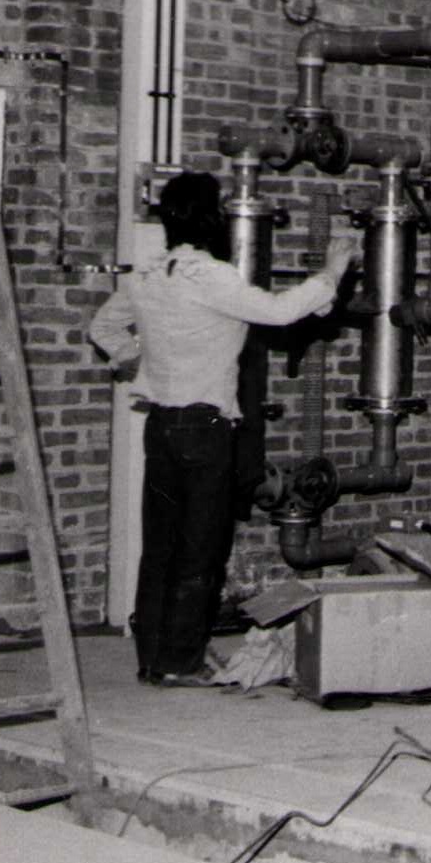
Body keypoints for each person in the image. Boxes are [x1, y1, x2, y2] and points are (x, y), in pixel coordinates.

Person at [89, 172, 358, 686]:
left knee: (161, 545)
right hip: (205, 431)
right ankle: (181, 662)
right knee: (202, 547)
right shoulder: (212, 277)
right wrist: (332, 270)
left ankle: (153, 658)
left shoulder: (147, 275)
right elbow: (280, 312)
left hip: (161, 428)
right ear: (212, 220)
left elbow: (101, 327)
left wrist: (135, 358)